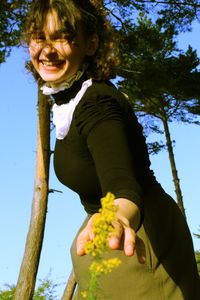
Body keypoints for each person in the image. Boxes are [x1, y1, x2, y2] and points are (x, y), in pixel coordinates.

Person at [24, 0, 200, 299]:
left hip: (140, 243)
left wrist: (116, 219)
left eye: (62, 37)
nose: (47, 50)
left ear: (91, 44)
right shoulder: (70, 101)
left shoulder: (97, 102)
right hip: (107, 243)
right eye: (39, 37)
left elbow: (123, 188)